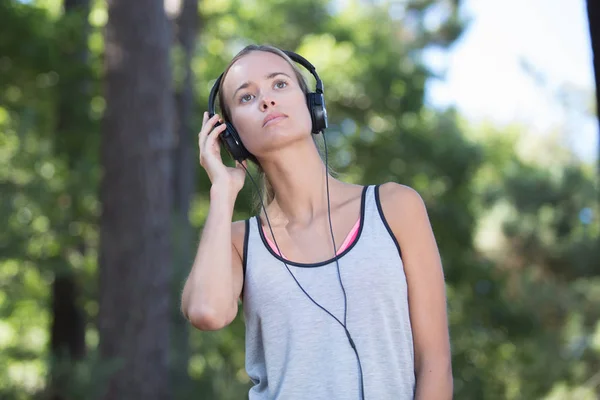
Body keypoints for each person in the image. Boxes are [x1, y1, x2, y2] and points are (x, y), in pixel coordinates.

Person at [181, 44, 452, 400]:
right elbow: (206, 312)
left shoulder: (396, 207)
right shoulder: (237, 242)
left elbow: (434, 362)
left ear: (313, 106)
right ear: (232, 138)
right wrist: (222, 191)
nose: (267, 100)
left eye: (279, 85)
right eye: (246, 97)